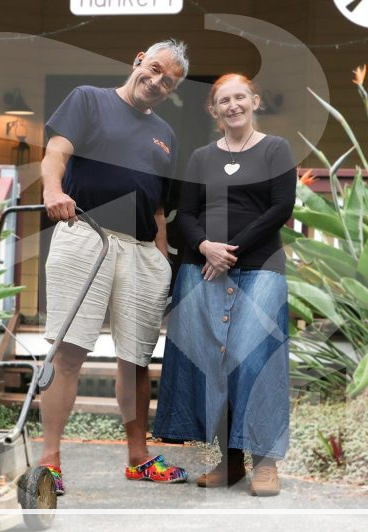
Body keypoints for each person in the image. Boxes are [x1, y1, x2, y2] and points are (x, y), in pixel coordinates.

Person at [39, 39, 191, 494]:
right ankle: (49, 461)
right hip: (86, 232)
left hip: (143, 250)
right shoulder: (89, 99)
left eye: (170, 81)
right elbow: (55, 153)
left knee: (137, 360)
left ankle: (138, 458)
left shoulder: (166, 132)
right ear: (138, 59)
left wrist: (162, 260)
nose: (158, 81)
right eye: (156, 69)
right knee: (68, 352)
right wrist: (51, 191)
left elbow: (161, 207)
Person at [153, 73, 296, 496]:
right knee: (212, 364)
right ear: (213, 110)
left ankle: (265, 462)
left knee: (255, 358)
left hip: (260, 267)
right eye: (223, 101)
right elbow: (187, 215)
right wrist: (203, 246)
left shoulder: (275, 149)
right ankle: (230, 459)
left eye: (239, 98)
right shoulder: (201, 157)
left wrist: (229, 250)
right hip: (202, 270)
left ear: (254, 100)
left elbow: (280, 207)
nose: (232, 105)